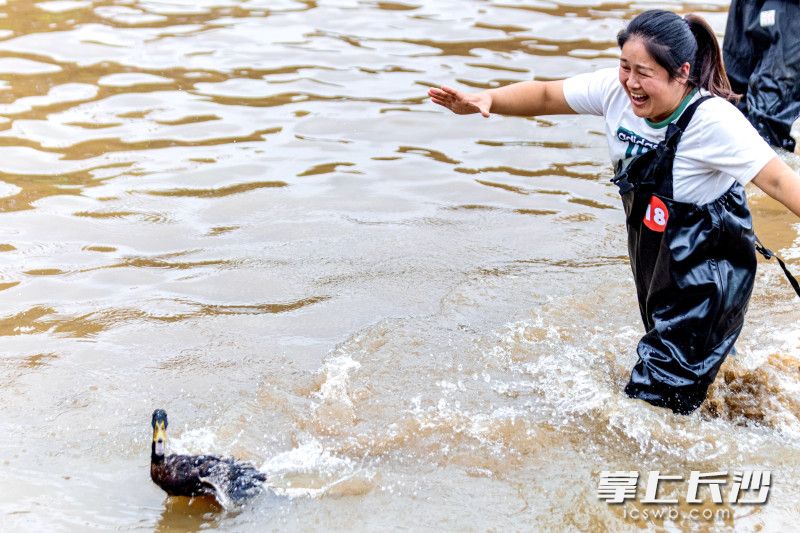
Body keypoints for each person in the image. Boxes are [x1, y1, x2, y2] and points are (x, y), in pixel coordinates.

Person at [428, 9, 800, 414]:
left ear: (682, 73)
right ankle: (753, 409)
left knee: (649, 408)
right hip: (657, 257)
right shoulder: (616, 91)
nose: (631, 83)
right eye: (625, 66)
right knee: (686, 388)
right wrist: (488, 99)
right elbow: (548, 94)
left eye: (644, 73)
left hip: (708, 269)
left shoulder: (713, 122)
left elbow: (781, 181)